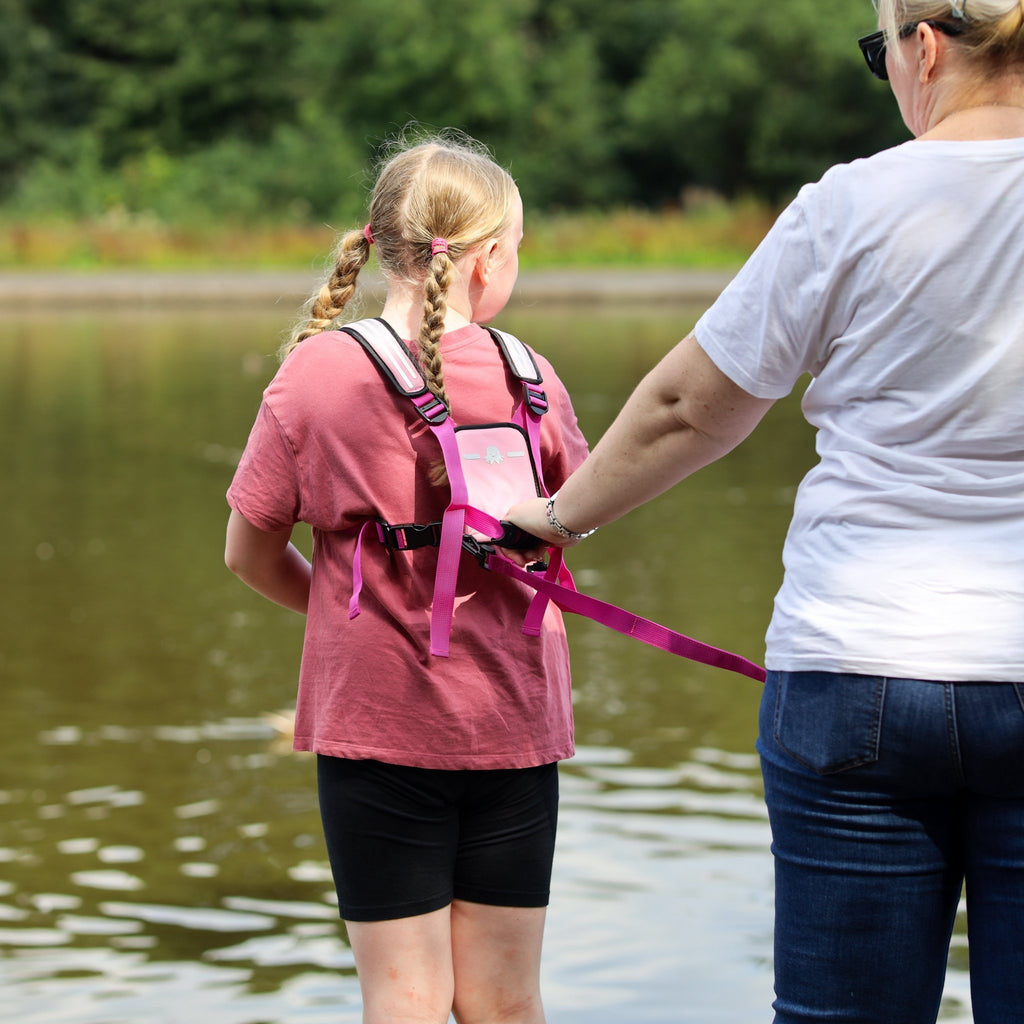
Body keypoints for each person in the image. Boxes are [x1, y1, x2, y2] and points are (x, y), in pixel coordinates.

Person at [506, 2, 1024, 1021]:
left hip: (856, 670)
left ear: (923, 46)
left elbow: (685, 409)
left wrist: (555, 519)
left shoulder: (850, 206)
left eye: (880, 52)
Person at [224, 133, 588, 1024]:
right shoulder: (532, 376)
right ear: (487, 257)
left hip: (374, 728)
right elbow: (575, 523)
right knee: (507, 1004)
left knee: (404, 1005)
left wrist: (348, 615)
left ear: (381, 244)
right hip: (512, 724)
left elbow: (247, 551)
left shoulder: (316, 373)